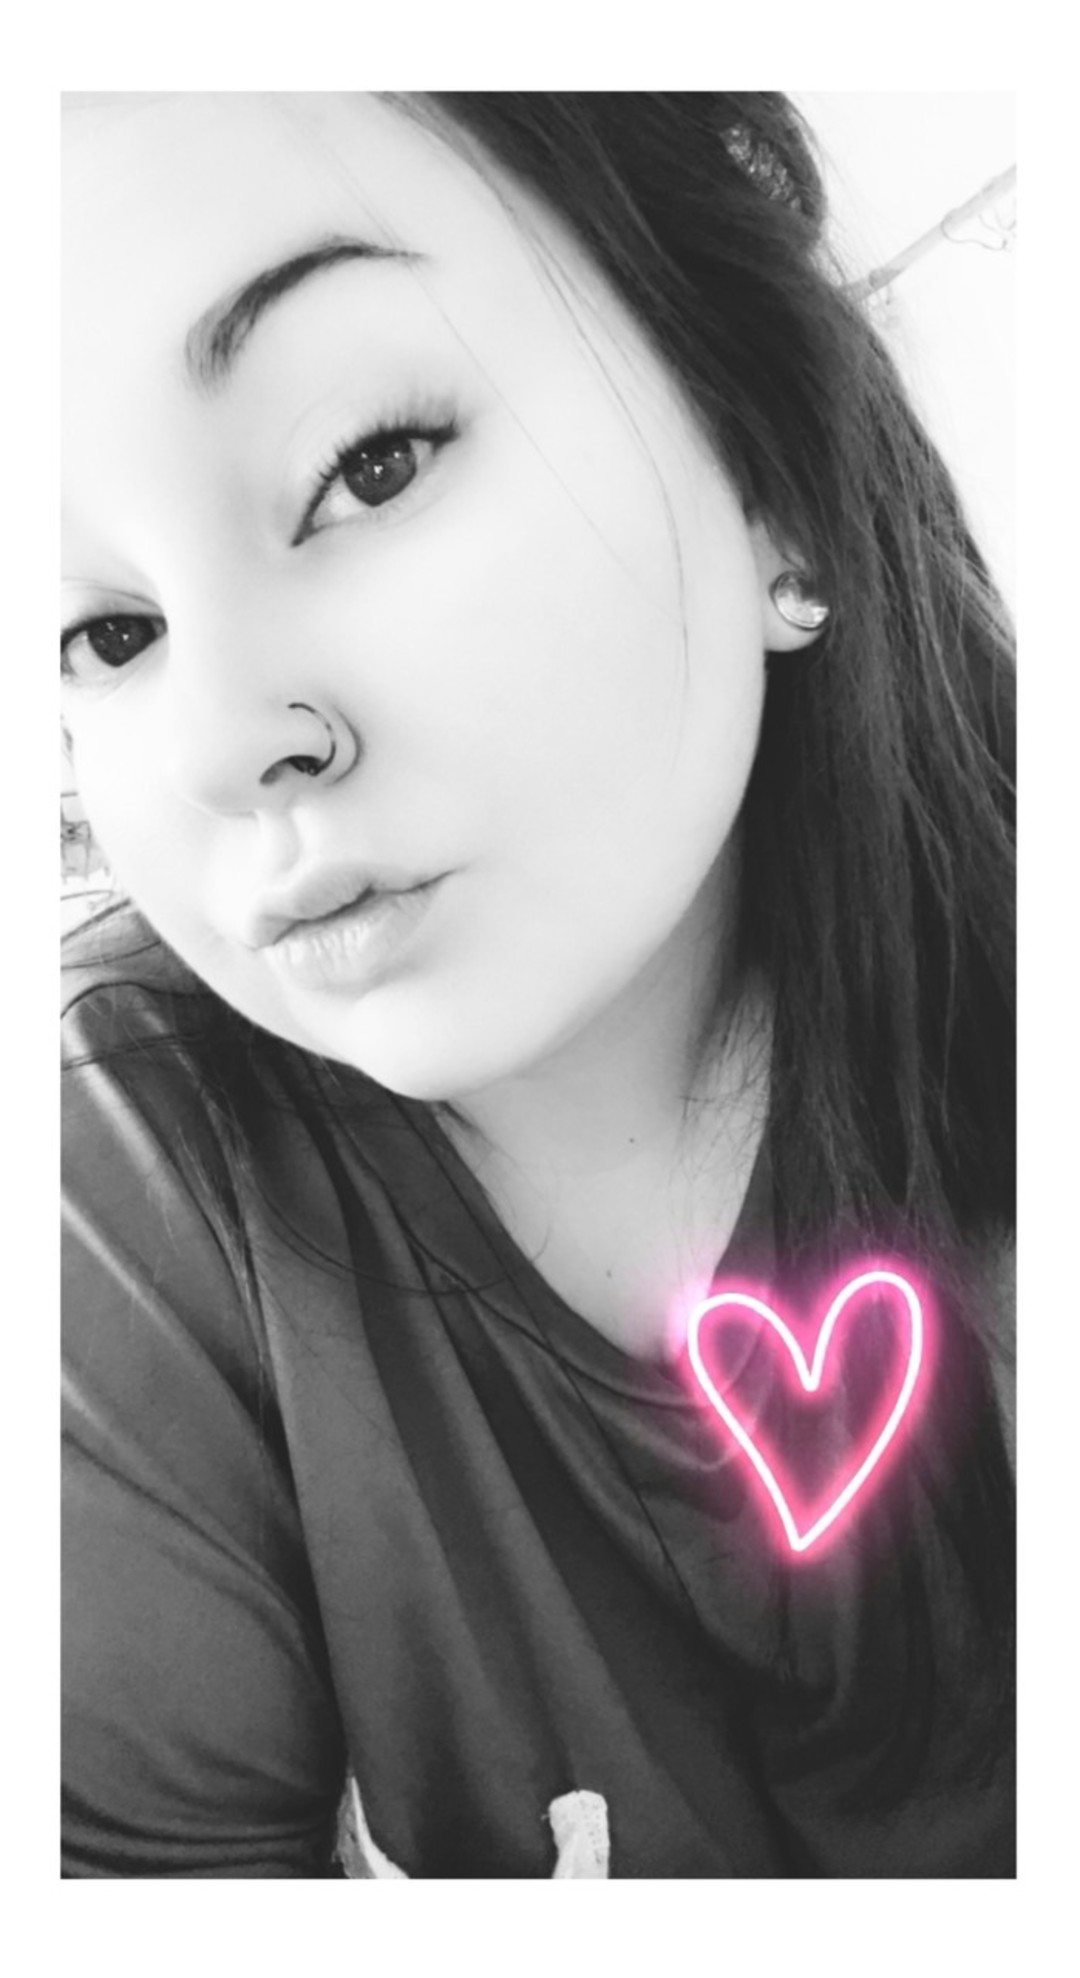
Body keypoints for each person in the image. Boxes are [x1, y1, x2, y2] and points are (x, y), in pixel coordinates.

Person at [61, 91, 1016, 1879]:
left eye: (371, 463)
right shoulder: (124, 1183)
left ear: (772, 481)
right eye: (107, 633)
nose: (214, 740)